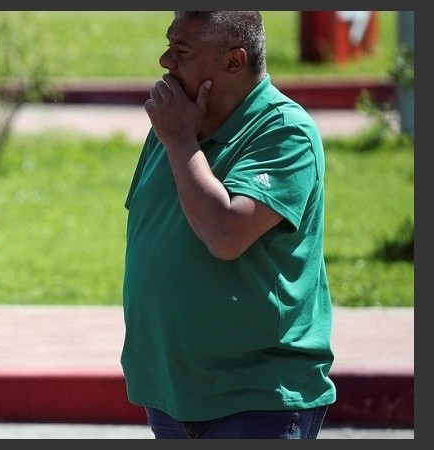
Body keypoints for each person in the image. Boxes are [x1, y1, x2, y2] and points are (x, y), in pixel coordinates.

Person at [120, 11, 336, 439]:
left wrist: (181, 142)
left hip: (256, 399)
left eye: (181, 51)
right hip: (171, 395)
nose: (165, 61)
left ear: (234, 61)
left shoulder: (284, 131)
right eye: (168, 45)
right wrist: (179, 138)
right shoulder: (175, 125)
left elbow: (225, 234)